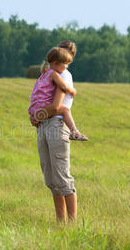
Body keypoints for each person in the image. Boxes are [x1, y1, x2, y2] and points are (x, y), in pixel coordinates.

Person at [28, 41, 84, 222]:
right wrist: (37, 117)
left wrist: (37, 115)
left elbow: (56, 106)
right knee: (51, 178)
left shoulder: (63, 75)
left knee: (62, 176)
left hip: (56, 124)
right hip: (44, 124)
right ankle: (61, 223)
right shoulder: (49, 74)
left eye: (67, 59)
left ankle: (73, 224)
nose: (65, 62)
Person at [28, 46, 87, 141]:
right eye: (65, 64)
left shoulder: (44, 74)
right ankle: (74, 132)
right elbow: (63, 86)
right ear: (56, 63)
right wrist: (72, 90)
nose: (67, 67)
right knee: (65, 110)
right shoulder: (54, 74)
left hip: (35, 107)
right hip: (43, 106)